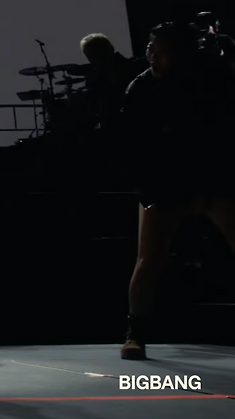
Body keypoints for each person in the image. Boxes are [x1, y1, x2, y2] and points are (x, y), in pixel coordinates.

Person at [118, 22, 235, 360]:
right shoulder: (140, 89)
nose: (151, 53)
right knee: (149, 258)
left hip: (213, 178)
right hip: (165, 183)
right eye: (150, 47)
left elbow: (222, 131)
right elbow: (135, 149)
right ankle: (135, 333)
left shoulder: (209, 79)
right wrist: (149, 192)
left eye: (159, 48)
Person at [77, 33, 143, 129]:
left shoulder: (136, 68)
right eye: (90, 56)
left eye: (96, 55)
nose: (93, 60)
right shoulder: (95, 79)